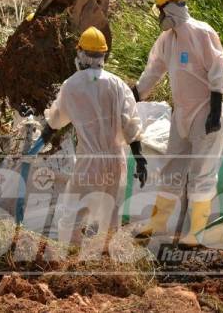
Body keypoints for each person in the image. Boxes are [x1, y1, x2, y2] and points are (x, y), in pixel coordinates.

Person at [133, 0, 223, 247]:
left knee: (201, 173)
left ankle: (197, 230)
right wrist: (134, 95)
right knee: (172, 170)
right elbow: (153, 72)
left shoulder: (202, 33)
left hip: (206, 112)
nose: (160, 17)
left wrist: (215, 111)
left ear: (170, 8)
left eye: (161, 11)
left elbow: (217, 71)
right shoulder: (167, 40)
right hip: (181, 115)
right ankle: (157, 222)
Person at [38, 26, 147, 245]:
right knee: (111, 216)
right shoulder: (117, 84)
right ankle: (108, 262)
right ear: (103, 56)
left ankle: (70, 262)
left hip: (90, 162)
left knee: (74, 214)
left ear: (80, 53)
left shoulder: (72, 85)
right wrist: (139, 156)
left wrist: (42, 139)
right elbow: (130, 122)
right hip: (116, 161)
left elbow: (56, 119)